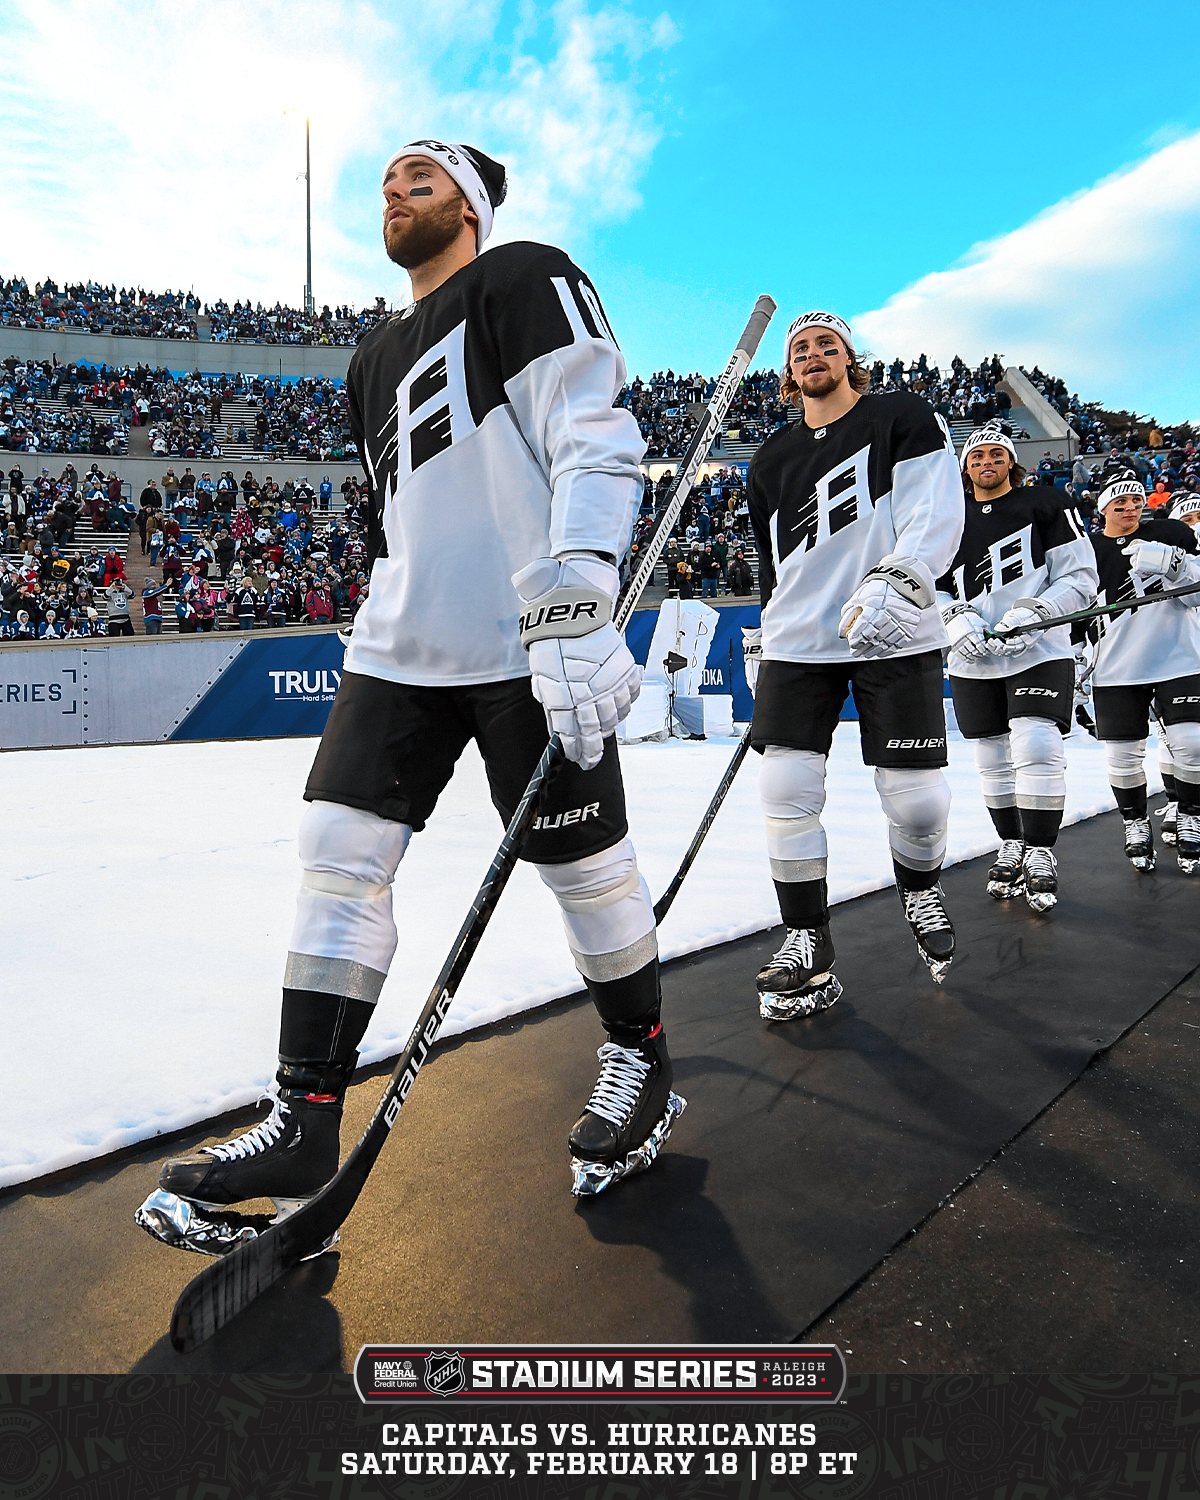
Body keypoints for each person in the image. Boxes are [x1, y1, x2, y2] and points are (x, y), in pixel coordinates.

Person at [157, 138, 675, 1219]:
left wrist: (578, 585)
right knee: (338, 856)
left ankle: (641, 1054)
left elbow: (594, 433)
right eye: (387, 184)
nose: (397, 193)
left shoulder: (523, 275)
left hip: (530, 627)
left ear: (472, 205)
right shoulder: (366, 358)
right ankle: (303, 1119)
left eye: (421, 179)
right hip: (403, 640)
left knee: (582, 865)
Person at [742, 310, 963, 1018]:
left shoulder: (901, 416)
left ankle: (920, 885)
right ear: (788, 371)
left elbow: (934, 509)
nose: (813, 354)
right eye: (800, 349)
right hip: (800, 640)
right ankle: (807, 939)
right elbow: (775, 563)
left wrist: (902, 579)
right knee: (785, 787)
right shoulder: (770, 458)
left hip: (891, 626)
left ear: (849, 359)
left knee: (918, 803)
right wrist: (770, 631)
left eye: (825, 345)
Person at [936, 424, 1097, 911]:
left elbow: (1081, 577)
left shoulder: (1046, 504)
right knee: (990, 755)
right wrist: (953, 619)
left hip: (1039, 648)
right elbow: (930, 585)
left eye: (996, 455)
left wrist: (1035, 614)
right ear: (966, 467)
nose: (986, 462)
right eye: (977, 455)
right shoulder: (946, 519)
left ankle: (1041, 851)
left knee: (1037, 741)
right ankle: (1010, 841)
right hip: (972, 654)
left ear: (1012, 463)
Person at [1080, 465, 1200, 874]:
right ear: (1103, 507)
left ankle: (1190, 814)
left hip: (1176, 656)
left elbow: (1195, 594)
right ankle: (1134, 823)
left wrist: (1175, 565)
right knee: (1123, 756)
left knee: (1192, 743)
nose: (1130, 507)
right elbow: (1074, 604)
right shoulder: (1086, 549)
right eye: (1120, 500)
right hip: (1115, 666)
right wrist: (1077, 652)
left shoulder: (1172, 535)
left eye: (1136, 499)